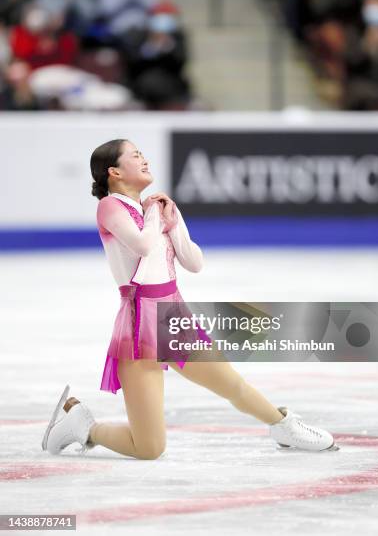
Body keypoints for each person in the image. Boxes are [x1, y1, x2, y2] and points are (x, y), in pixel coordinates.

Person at [42, 139, 339, 460]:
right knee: (149, 448)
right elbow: (142, 245)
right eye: (135, 155)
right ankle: (83, 426)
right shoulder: (111, 206)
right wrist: (156, 213)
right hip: (140, 323)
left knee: (232, 385)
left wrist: (176, 222)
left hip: (173, 315)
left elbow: (194, 262)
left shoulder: (151, 211)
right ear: (114, 171)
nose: (144, 159)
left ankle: (284, 426)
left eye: (143, 154)